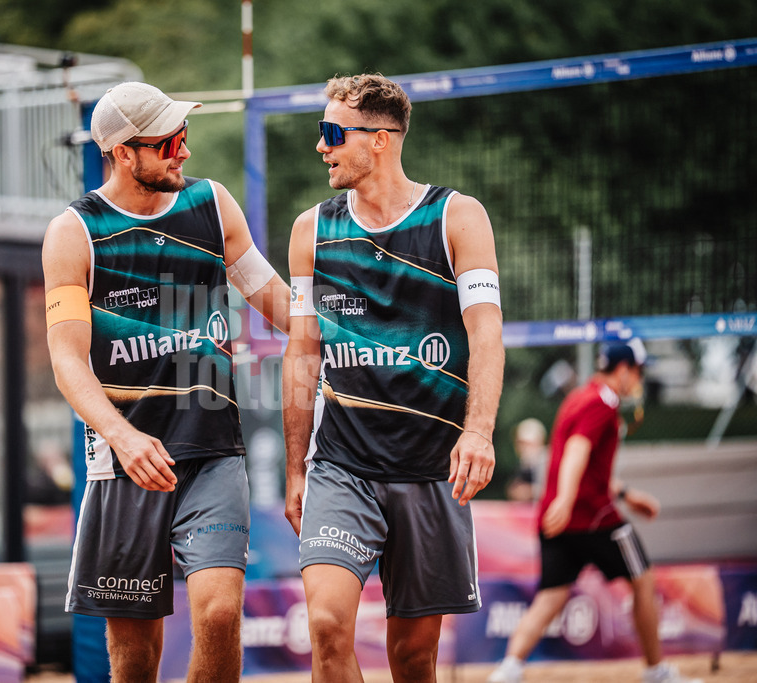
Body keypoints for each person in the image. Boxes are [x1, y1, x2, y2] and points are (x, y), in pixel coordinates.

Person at [43, 81, 289, 682]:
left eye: (185, 136)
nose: (183, 150)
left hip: (212, 453)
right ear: (124, 152)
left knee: (221, 612)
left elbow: (278, 302)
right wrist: (123, 438)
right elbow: (68, 360)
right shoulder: (76, 232)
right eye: (169, 140)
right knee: (133, 658)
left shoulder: (211, 204)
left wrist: (361, 342)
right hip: (127, 462)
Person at [282, 73, 505, 682]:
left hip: (431, 468)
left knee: (413, 659)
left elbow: (486, 333)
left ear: (379, 139)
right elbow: (302, 352)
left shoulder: (456, 217)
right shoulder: (312, 230)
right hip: (343, 466)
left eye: (332, 133)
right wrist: (296, 467)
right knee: (327, 626)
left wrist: (479, 432)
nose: (321, 147)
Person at [487, 339, 702, 683]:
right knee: (643, 580)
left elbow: (589, 464)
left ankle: (506, 672)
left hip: (558, 521)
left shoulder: (579, 397)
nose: (640, 379)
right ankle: (656, 671)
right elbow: (576, 451)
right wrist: (568, 499)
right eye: (639, 371)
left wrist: (625, 494)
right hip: (593, 519)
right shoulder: (604, 401)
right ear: (623, 369)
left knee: (550, 597)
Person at [506, 417, 548, 502]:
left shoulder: (546, 460)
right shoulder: (526, 464)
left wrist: (529, 492)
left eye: (527, 443)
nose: (523, 448)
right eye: (520, 443)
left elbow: (554, 491)